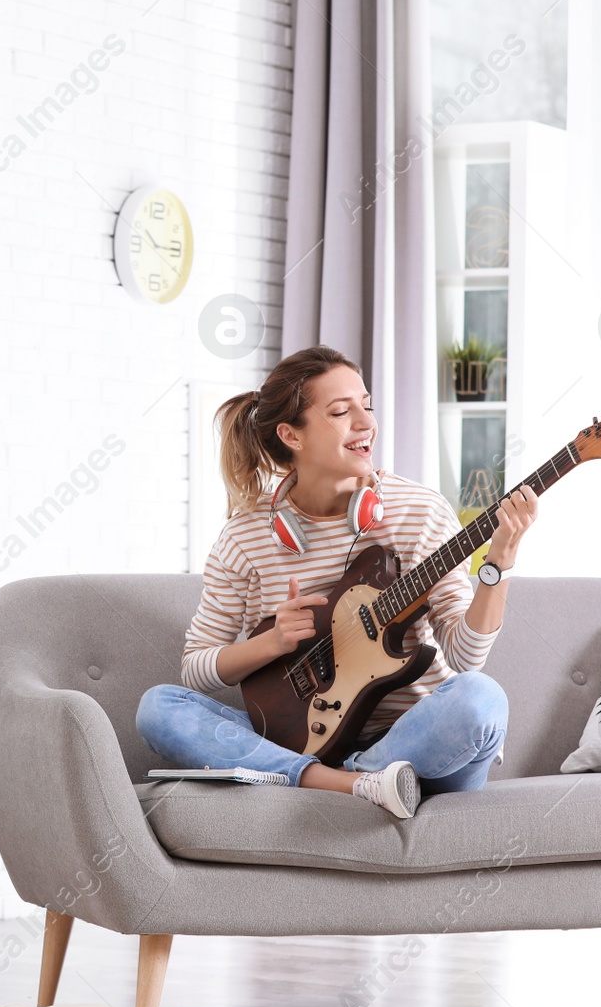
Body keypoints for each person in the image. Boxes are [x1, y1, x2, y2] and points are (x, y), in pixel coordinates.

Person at [136, 346, 538, 818]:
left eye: (366, 405)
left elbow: (465, 657)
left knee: (482, 699)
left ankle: (338, 777)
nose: (366, 423)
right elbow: (196, 670)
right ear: (292, 435)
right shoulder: (245, 535)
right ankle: (346, 785)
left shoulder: (418, 512)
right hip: (301, 740)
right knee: (159, 708)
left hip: (416, 746)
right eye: (341, 412)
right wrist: (272, 643)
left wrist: (499, 564)